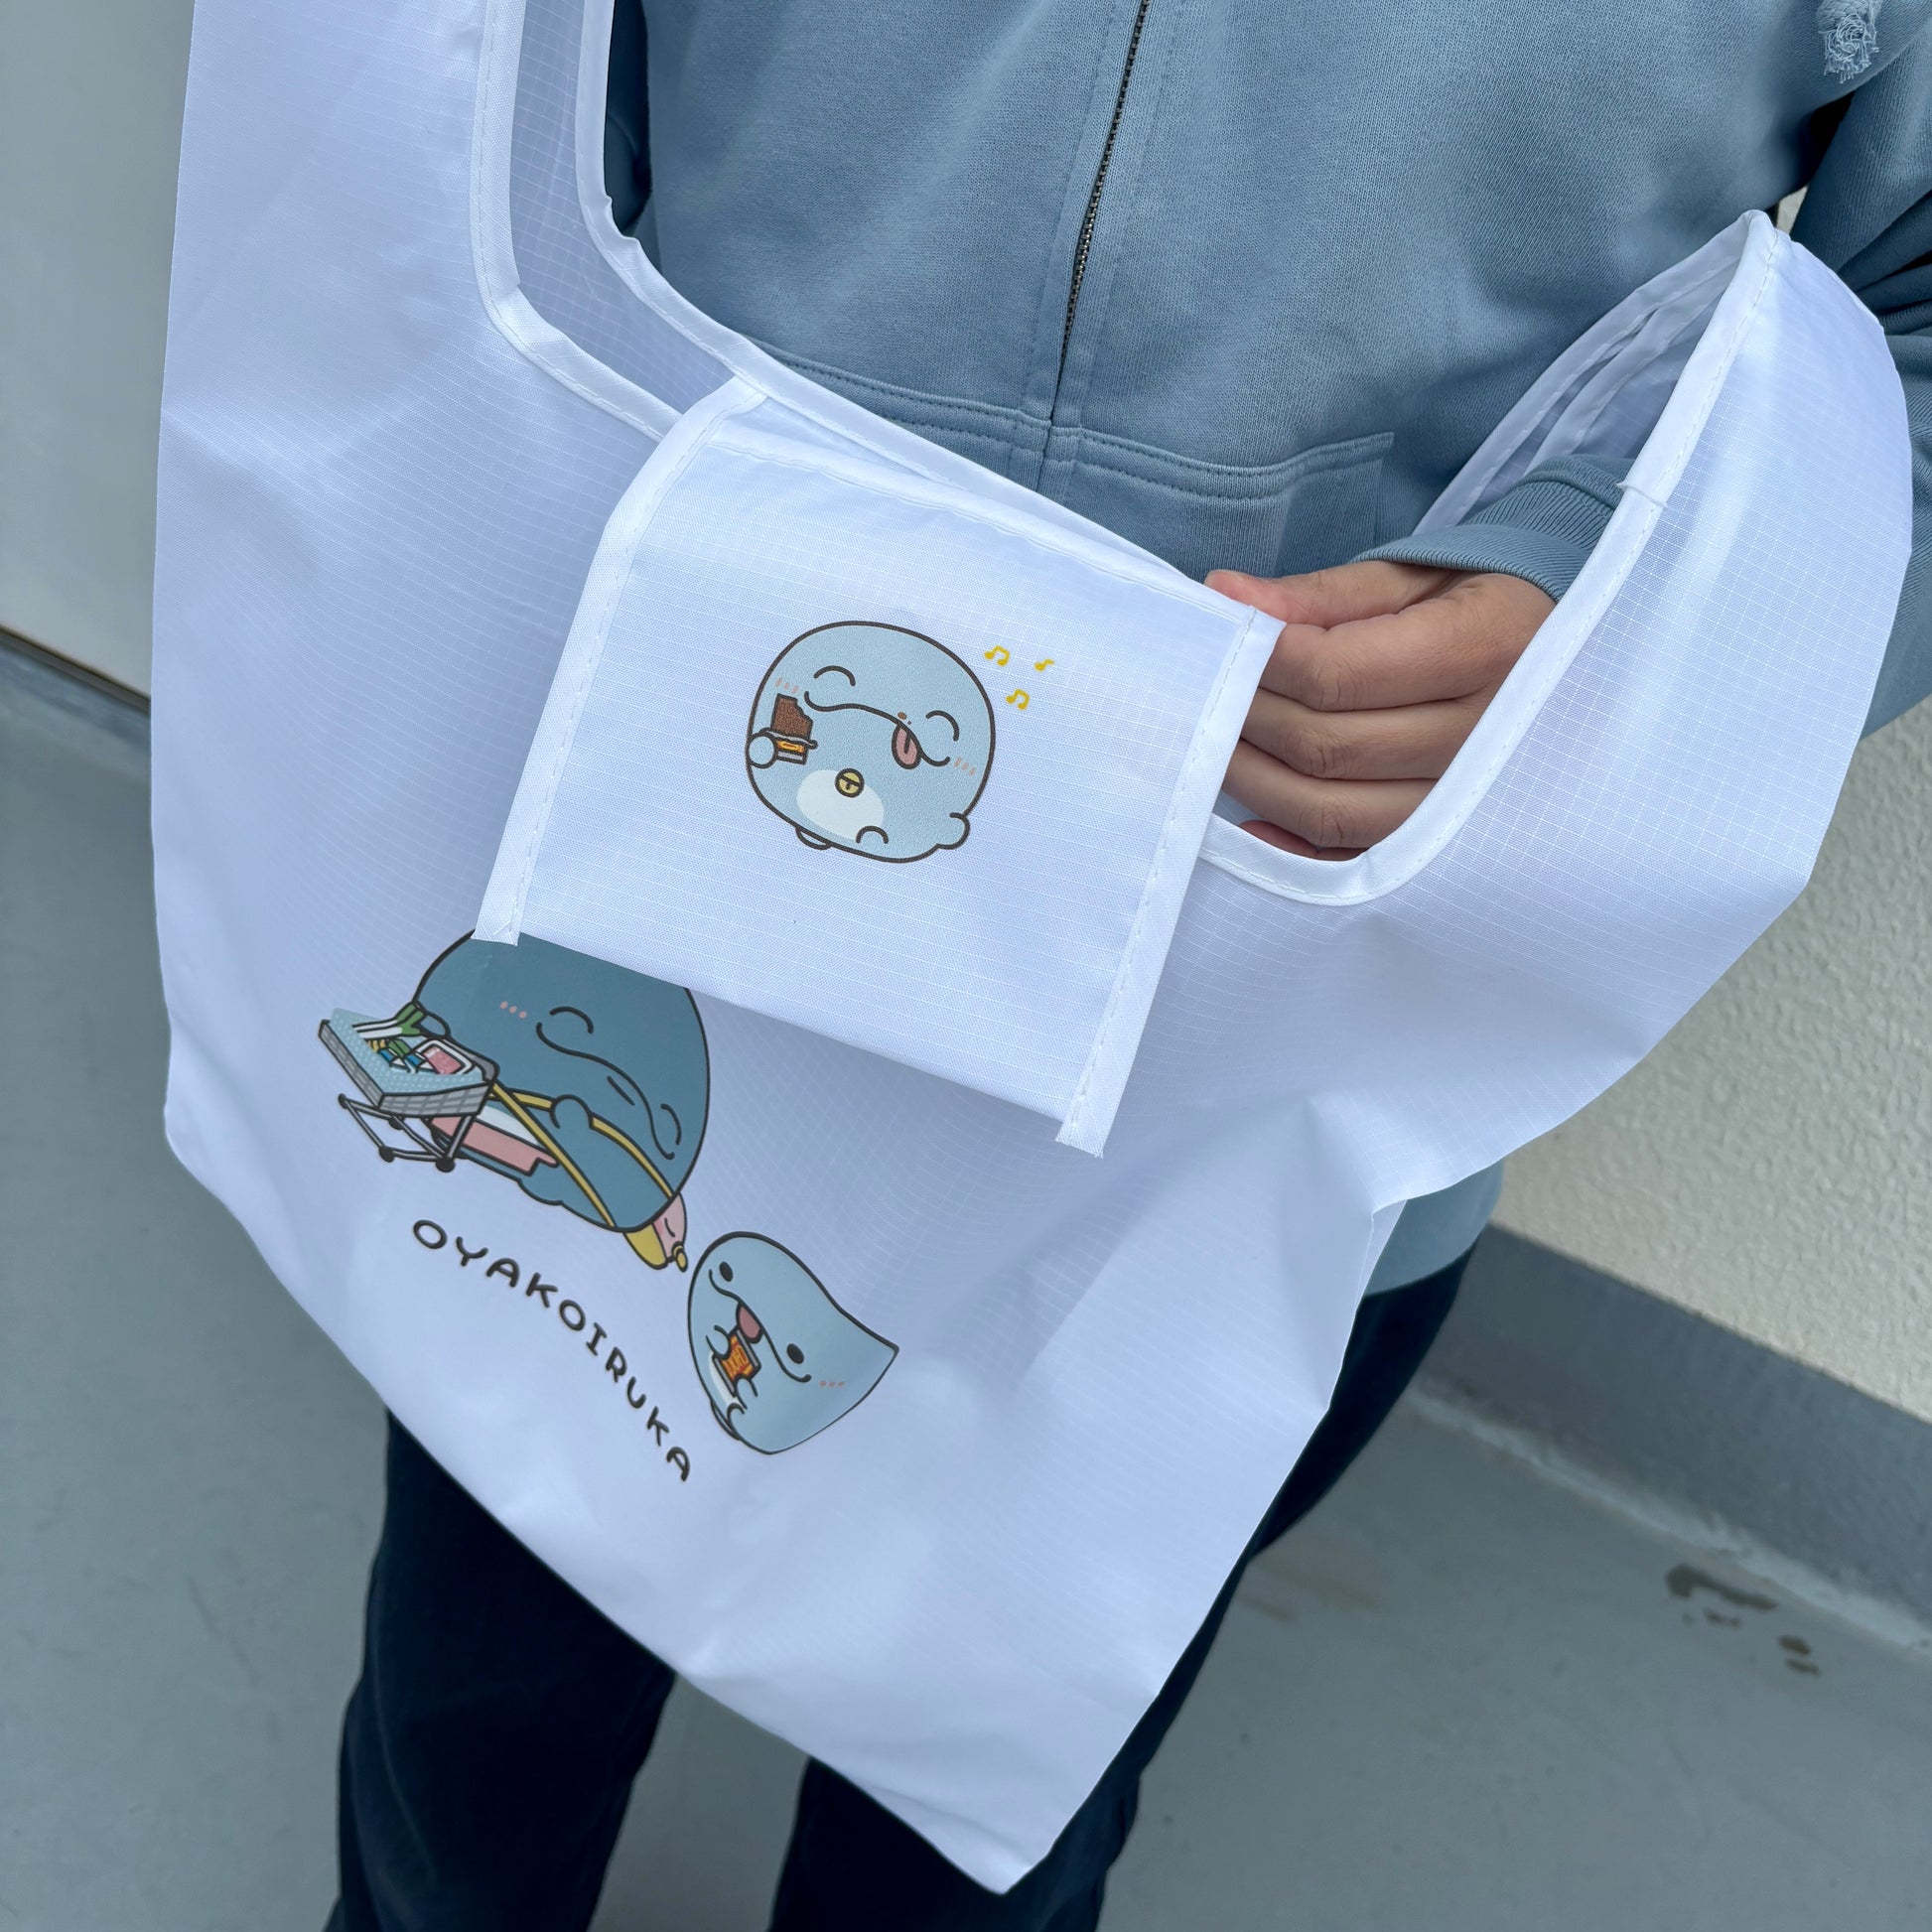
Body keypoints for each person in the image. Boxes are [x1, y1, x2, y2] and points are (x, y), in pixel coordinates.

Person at [329, 3, 1932, 1924]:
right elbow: (453, 81)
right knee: (482, 1669)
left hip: (1255, 1015)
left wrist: (1627, 603)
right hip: (648, 881)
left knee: (977, 1803)